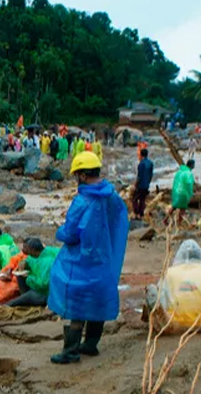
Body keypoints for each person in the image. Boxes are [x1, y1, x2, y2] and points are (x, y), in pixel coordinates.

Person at [48, 151, 129, 363]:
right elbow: (119, 224)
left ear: (82, 176)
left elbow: (71, 233)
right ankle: (91, 344)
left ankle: (70, 352)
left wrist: (60, 233)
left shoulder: (82, 201)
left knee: (75, 304)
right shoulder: (113, 197)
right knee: (97, 300)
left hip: (81, 263)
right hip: (103, 261)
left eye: (77, 176)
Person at [0, 237, 58, 311]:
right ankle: (20, 299)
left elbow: (44, 284)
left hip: (45, 293)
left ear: (33, 250)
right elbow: (29, 260)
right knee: (19, 278)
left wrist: (28, 277)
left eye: (28, 250)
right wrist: (24, 263)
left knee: (18, 300)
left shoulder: (47, 262)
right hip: (36, 286)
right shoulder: (38, 255)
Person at [170, 159, 195, 225]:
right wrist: (190, 194)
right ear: (192, 166)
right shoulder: (189, 174)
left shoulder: (179, 171)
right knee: (182, 209)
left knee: (174, 206)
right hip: (183, 193)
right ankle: (179, 223)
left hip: (175, 191)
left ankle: (166, 219)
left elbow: (175, 181)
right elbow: (189, 185)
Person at [133, 148, 153, 219]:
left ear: (141, 155)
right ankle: (141, 215)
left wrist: (135, 185)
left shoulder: (141, 164)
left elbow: (139, 176)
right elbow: (151, 175)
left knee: (134, 199)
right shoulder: (150, 163)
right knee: (142, 200)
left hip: (141, 185)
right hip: (146, 185)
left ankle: (136, 213)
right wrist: (148, 182)